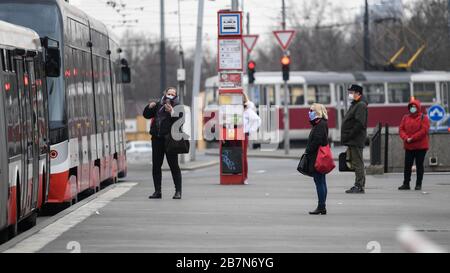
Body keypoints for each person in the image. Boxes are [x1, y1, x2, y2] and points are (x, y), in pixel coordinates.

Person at [143, 87, 183, 200]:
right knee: (156, 166)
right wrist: (149, 107)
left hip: (170, 140)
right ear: (165, 94)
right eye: (169, 93)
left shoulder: (178, 107)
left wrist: (172, 112)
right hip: (157, 139)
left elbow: (180, 121)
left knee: (174, 166)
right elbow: (146, 115)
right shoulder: (158, 105)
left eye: (172, 94)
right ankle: (157, 191)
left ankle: (178, 191)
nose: (170, 95)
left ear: (175, 96)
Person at [341, 84, 368, 194]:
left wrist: (349, 135)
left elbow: (359, 124)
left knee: (358, 163)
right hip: (353, 139)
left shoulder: (360, 105)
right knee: (356, 162)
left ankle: (359, 186)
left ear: (358, 93)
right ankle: (358, 184)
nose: (350, 94)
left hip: (355, 139)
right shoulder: (355, 104)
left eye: (352, 92)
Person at [398, 98, 430, 191]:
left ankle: (418, 184)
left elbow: (424, 131)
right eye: (411, 107)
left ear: (418, 108)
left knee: (419, 165)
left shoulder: (424, 118)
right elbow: (401, 129)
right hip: (409, 146)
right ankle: (406, 183)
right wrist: (405, 138)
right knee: (407, 165)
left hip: (421, 147)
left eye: (414, 107)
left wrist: (412, 138)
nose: (412, 108)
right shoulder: (405, 117)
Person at [305, 103, 329, 215]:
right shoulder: (320, 123)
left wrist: (308, 149)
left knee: (319, 181)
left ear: (317, 112)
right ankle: (322, 206)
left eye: (311, 110)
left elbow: (317, 140)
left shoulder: (320, 124)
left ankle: (321, 206)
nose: (309, 112)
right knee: (321, 181)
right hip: (318, 156)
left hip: (317, 157)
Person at [243, 94, 262, 184]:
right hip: (232, 135)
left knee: (243, 156)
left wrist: (250, 131)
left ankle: (244, 177)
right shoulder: (232, 110)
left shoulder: (247, 111)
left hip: (243, 135)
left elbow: (258, 120)